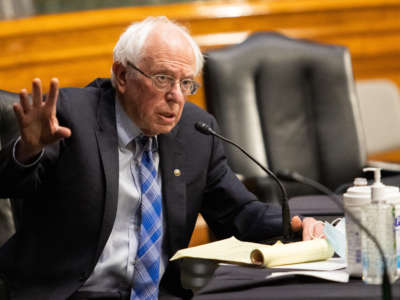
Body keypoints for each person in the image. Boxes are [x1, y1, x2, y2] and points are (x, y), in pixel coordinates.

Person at [0, 16, 324, 300]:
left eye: (186, 83)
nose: (176, 97)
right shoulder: (72, 115)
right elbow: (9, 184)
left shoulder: (197, 132)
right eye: (163, 79)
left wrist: (293, 225)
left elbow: (237, 212)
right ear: (122, 76)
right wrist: (28, 150)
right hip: (70, 293)